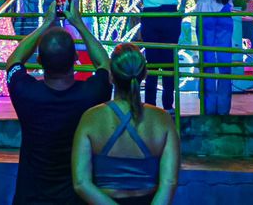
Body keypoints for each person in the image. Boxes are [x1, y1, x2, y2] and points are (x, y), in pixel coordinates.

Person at [7, 3, 113, 204]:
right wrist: (79, 24)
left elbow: (14, 61)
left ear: (39, 60)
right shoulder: (90, 95)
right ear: (75, 59)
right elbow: (104, 65)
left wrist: (45, 23)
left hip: (31, 197)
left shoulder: (26, 93)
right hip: (74, 199)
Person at [71, 43, 180, 205]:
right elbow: (169, 182)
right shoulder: (162, 119)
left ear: (111, 77)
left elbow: (81, 183)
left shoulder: (91, 118)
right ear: (144, 74)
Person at [191, 0, 244, 115]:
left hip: (204, 16)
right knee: (224, 62)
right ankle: (224, 108)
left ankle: (208, 106)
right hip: (224, 14)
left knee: (206, 62)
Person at [138, 0, 190, 110]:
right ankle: (168, 104)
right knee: (169, 61)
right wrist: (182, 7)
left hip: (149, 16)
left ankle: (150, 104)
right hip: (169, 15)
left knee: (151, 63)